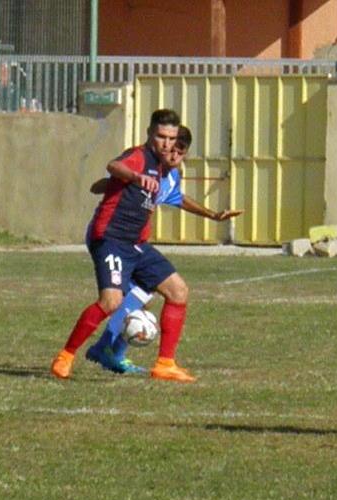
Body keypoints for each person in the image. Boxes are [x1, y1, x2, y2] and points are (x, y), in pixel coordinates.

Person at [50, 111, 240, 383]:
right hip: (111, 239)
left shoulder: (166, 172)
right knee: (111, 301)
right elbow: (114, 166)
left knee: (178, 291)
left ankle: (164, 363)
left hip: (137, 244)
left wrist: (213, 215)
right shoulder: (140, 156)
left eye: (172, 141)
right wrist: (135, 178)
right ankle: (65, 356)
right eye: (162, 137)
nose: (167, 146)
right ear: (150, 134)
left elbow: (178, 199)